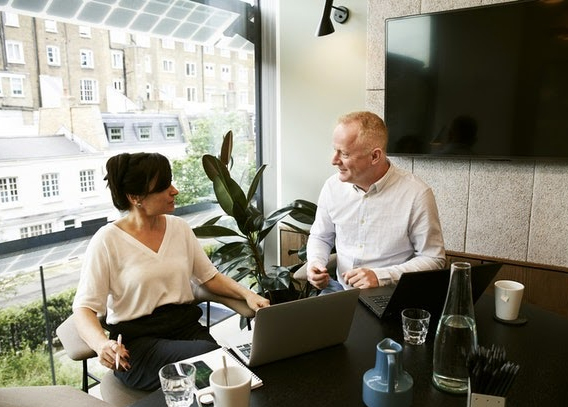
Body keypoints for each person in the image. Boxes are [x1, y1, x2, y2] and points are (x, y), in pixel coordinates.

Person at [72, 152, 269, 391]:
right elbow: (84, 308)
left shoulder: (179, 228)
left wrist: (248, 295)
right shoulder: (107, 240)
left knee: (232, 377)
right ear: (136, 197)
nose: (174, 190)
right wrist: (101, 344)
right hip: (140, 347)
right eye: (164, 186)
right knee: (216, 365)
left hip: (187, 330)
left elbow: (209, 277)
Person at [306, 111, 445, 292]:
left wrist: (380, 277)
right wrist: (315, 263)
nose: (334, 160)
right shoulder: (331, 187)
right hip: (339, 290)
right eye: (335, 150)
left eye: (345, 154)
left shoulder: (417, 194)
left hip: (391, 293)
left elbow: (433, 258)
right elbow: (321, 237)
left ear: (375, 156)